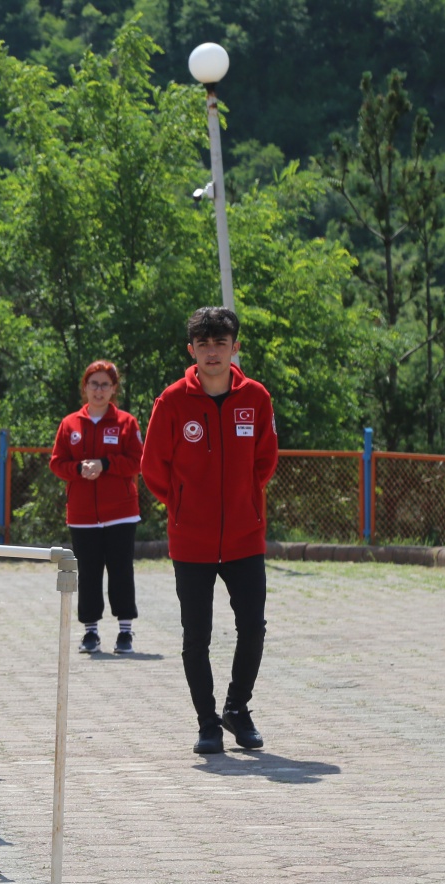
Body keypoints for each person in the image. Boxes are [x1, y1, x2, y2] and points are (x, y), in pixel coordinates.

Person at [141, 307, 278, 756]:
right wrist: (182, 506)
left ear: (235, 347)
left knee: (252, 628)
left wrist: (243, 500)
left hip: (244, 537)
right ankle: (207, 723)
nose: (213, 351)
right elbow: (153, 468)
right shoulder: (172, 401)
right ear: (192, 351)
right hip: (192, 540)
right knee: (195, 636)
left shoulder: (256, 398)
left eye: (221, 343)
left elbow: (266, 460)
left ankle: (238, 709)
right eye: (204, 344)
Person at [50, 360, 144, 655]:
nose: (99, 390)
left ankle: (125, 632)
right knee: (89, 574)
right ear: (85, 387)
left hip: (121, 514)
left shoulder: (127, 423)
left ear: (114, 389)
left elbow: (138, 461)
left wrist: (105, 464)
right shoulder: (69, 424)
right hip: (82, 516)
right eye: (94, 384)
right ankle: (90, 632)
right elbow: (57, 462)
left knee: (120, 571)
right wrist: (79, 469)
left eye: (105, 384)